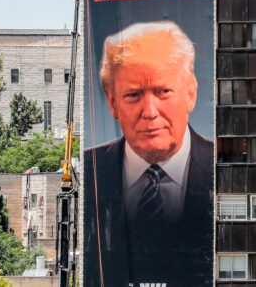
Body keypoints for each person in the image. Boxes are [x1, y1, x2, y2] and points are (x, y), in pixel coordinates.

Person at [83, 21, 213, 287]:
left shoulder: (229, 170)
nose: (150, 111)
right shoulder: (90, 171)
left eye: (163, 91)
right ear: (112, 102)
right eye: (133, 95)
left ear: (190, 92)